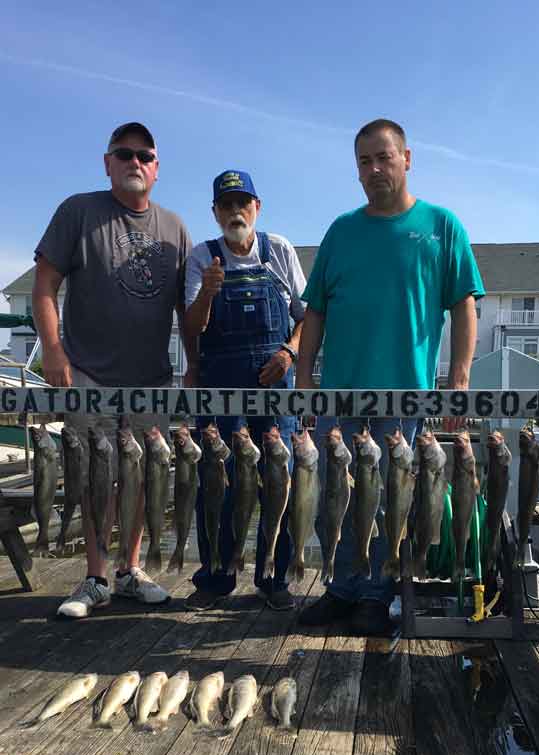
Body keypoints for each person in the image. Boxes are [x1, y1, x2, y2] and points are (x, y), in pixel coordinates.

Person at [295, 118, 485, 636]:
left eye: (384, 157)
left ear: (406, 158)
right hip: (337, 392)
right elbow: (315, 311)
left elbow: (464, 305)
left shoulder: (442, 226)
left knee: (388, 502)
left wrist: (459, 379)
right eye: (364, 161)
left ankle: (377, 594)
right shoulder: (341, 230)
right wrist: (305, 377)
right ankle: (340, 586)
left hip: (405, 397)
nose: (374, 169)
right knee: (336, 494)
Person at [33, 122, 192, 618]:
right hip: (90, 375)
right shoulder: (78, 211)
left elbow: (187, 312)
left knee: (145, 478)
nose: (134, 162)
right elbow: (43, 285)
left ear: (157, 167)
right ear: (107, 163)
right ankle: (95, 576)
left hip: (153, 379)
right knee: (93, 478)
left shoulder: (176, 228)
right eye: (124, 154)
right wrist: (54, 350)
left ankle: (130, 569)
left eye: (144, 155)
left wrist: (194, 371)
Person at [183, 169, 306, 612]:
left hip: (277, 383)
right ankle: (216, 577)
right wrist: (208, 296)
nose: (236, 211)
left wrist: (290, 353)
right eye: (226, 204)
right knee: (217, 481)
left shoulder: (281, 251)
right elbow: (192, 327)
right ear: (215, 212)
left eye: (243, 202)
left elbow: (305, 316)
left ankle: (274, 576)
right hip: (220, 383)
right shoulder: (203, 255)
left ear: (257, 207)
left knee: (281, 481)